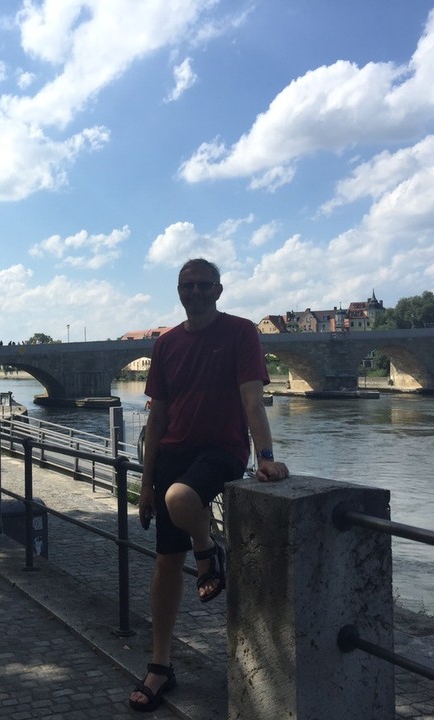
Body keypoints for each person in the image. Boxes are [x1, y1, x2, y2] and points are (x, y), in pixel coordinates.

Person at [128, 258, 289, 713]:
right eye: (187, 285)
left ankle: (207, 552)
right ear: (180, 292)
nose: (195, 292)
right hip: (174, 452)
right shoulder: (166, 346)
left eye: (203, 285)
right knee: (163, 564)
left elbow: (252, 400)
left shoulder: (240, 333)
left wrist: (267, 458)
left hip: (222, 450)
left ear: (218, 291)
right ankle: (160, 666)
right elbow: (157, 417)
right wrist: (145, 484)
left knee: (181, 498)